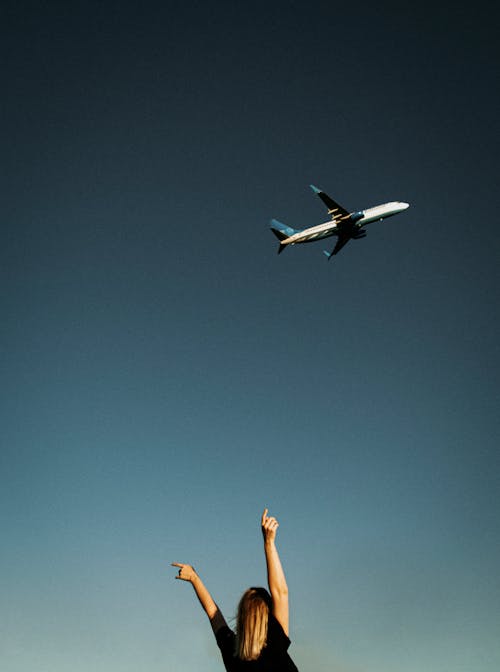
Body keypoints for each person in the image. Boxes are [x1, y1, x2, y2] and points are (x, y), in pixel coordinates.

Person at [172, 508, 299, 671]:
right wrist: (269, 543)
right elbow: (280, 592)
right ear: (267, 618)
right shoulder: (275, 645)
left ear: (242, 615)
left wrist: (194, 579)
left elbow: (212, 613)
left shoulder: (232, 651)